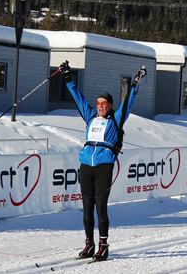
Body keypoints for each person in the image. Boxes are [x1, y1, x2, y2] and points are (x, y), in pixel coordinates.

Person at [60, 61, 144, 262]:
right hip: (86, 164)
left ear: (110, 106)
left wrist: (136, 82)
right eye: (98, 104)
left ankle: (103, 245)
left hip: (104, 165)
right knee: (87, 206)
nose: (99, 107)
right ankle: (89, 243)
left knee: (100, 206)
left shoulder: (116, 119)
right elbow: (78, 99)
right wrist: (67, 78)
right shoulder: (90, 117)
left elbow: (128, 101)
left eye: (103, 104)